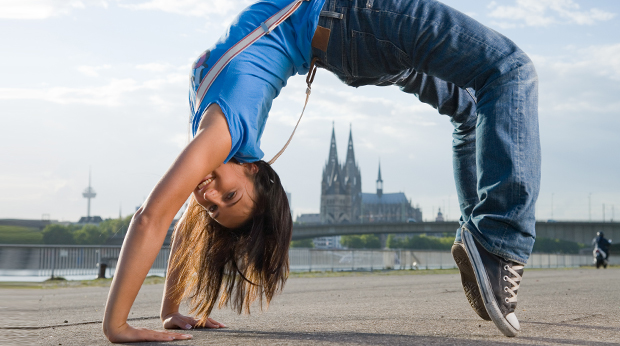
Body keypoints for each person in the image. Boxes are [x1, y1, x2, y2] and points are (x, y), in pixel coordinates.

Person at [102, 0, 540, 342]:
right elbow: (150, 218)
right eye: (228, 199)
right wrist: (116, 325)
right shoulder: (224, 135)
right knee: (509, 69)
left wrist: (168, 310)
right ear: (257, 170)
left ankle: (478, 241)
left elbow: (180, 222)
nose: (209, 196)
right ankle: (498, 243)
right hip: (353, 22)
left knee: (467, 110)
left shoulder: (209, 141)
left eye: (216, 206)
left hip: (346, 39)